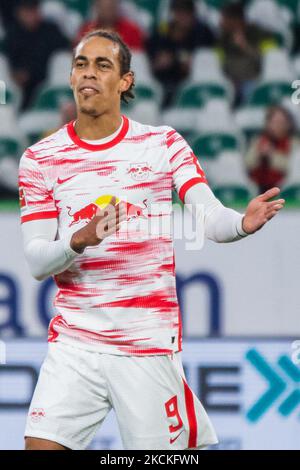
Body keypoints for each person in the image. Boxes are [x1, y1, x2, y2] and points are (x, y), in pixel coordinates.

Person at [19, 29, 285, 451]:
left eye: (103, 65)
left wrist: (241, 224)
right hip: (75, 344)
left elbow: (211, 217)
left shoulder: (161, 144)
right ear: (70, 77)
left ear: (125, 81)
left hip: (145, 344)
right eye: (81, 64)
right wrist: (78, 241)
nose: (89, 73)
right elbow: (35, 260)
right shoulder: (40, 159)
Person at [146, 0, 216, 107]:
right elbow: (149, 62)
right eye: (179, 12)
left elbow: (211, 60)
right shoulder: (161, 33)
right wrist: (158, 63)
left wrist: (195, 66)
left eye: (187, 13)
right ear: (173, 13)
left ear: (193, 14)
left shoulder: (203, 33)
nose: (183, 17)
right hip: (165, 82)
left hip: (194, 83)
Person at [3, 0, 69, 109]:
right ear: (18, 13)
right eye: (26, 11)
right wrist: (17, 75)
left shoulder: (50, 30)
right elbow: (10, 66)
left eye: (33, 10)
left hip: (47, 82)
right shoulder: (12, 35)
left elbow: (65, 51)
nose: (31, 15)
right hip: (22, 90)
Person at [218, 2, 277, 106]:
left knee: (250, 90)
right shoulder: (222, 39)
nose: (221, 23)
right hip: (230, 82)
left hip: (254, 80)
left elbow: (270, 60)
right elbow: (217, 64)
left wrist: (245, 46)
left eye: (225, 19)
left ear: (236, 20)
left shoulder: (260, 34)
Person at [245, 105, 298, 192]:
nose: (278, 126)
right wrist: (258, 154)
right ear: (268, 123)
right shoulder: (258, 140)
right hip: (258, 188)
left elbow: (293, 167)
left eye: (282, 122)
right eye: (274, 122)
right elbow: (247, 164)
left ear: (288, 124)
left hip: (284, 189)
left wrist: (272, 155)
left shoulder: (293, 143)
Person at [76, 0, 144, 51]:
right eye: (103, 7)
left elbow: (137, 60)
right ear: (96, 7)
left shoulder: (132, 31)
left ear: (117, 6)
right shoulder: (85, 31)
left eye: (111, 7)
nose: (107, 11)